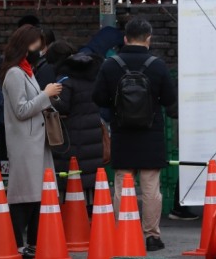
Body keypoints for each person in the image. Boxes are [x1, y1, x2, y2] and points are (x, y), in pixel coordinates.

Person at [92, 18, 177, 252]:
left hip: (122, 133)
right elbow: (170, 100)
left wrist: (116, 104)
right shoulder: (157, 65)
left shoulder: (111, 65)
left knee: (122, 185)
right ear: (148, 38)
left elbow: (98, 97)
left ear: (125, 38)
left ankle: (124, 231)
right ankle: (152, 236)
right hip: (151, 134)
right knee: (151, 187)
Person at [1, 25, 62, 258]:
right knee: (24, 193)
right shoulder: (16, 73)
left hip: (35, 140)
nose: (40, 49)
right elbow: (21, 109)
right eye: (37, 44)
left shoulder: (26, 71)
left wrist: (47, 95)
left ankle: (33, 243)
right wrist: (45, 94)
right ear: (25, 46)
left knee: (37, 193)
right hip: (26, 142)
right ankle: (18, 242)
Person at [51, 50, 104, 203]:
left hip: (72, 136)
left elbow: (62, 107)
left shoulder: (65, 81)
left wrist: (50, 98)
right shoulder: (94, 80)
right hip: (92, 136)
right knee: (89, 175)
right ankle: (90, 210)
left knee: (72, 176)